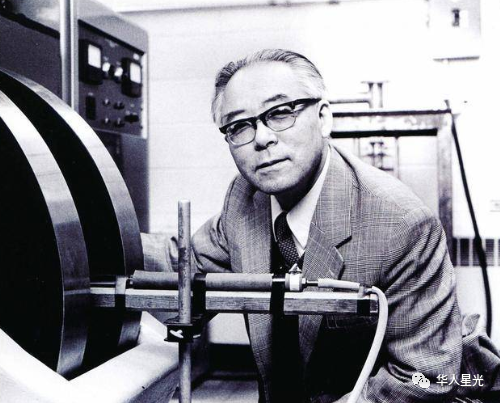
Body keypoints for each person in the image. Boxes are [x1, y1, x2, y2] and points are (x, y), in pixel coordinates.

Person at [143, 49, 500, 402]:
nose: (262, 138)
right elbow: (182, 264)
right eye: (239, 126)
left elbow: (424, 377)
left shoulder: (402, 224)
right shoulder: (245, 199)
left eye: (280, 113)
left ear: (324, 118)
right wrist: (107, 233)